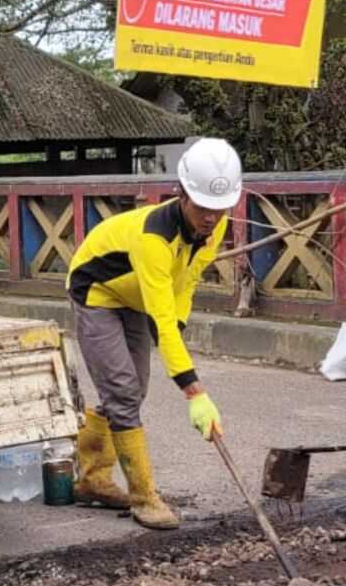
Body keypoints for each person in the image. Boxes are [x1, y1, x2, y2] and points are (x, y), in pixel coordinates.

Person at [65, 137, 239, 530]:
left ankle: (91, 479)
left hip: (135, 297)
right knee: (123, 390)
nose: (211, 218)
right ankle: (143, 497)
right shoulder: (154, 238)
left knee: (134, 388)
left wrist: (177, 328)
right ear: (182, 194)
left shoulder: (215, 228)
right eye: (203, 207)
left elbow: (186, 283)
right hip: (97, 292)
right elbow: (160, 313)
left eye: (219, 208)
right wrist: (194, 391)